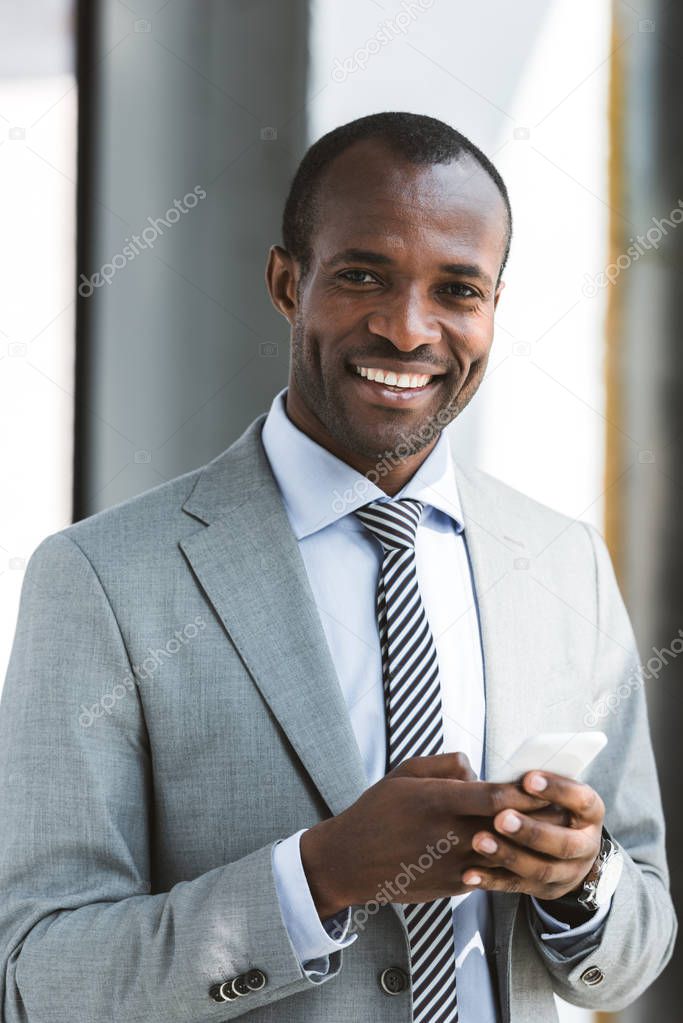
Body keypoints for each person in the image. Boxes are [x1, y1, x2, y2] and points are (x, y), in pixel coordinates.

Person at [0, 111, 675, 1023]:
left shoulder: (561, 562)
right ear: (287, 282)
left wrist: (578, 881)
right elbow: (43, 976)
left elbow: (634, 948)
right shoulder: (102, 578)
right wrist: (315, 876)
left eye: (457, 290)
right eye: (363, 275)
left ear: (491, 310)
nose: (407, 330)